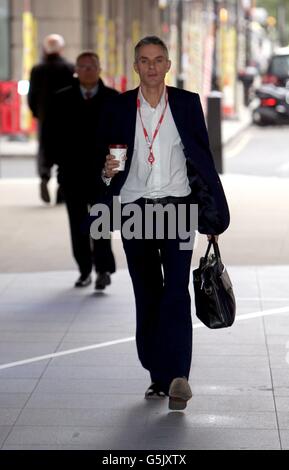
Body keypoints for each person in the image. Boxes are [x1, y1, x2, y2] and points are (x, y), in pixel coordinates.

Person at [100, 36, 230, 410]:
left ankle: (178, 378)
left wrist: (210, 214)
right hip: (133, 208)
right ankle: (156, 372)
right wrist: (106, 172)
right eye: (144, 60)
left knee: (175, 291)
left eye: (159, 60)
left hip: (178, 207)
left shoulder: (187, 105)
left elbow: (203, 161)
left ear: (168, 65)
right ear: (136, 66)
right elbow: (104, 160)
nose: (152, 67)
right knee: (147, 291)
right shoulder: (119, 107)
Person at [43, 51, 117, 290]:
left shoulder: (112, 99)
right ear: (76, 70)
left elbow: (121, 137)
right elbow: (49, 135)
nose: (87, 70)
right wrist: (52, 164)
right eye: (82, 66)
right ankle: (84, 269)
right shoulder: (60, 99)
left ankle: (103, 269)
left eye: (91, 66)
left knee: (101, 223)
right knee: (77, 224)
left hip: (102, 175)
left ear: (99, 69)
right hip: (72, 173)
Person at [28, 34, 75, 204]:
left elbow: (31, 96)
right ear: (61, 49)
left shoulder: (37, 70)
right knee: (66, 155)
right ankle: (61, 190)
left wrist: (37, 113)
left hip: (46, 118)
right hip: (66, 119)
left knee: (45, 151)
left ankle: (44, 177)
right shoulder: (70, 68)